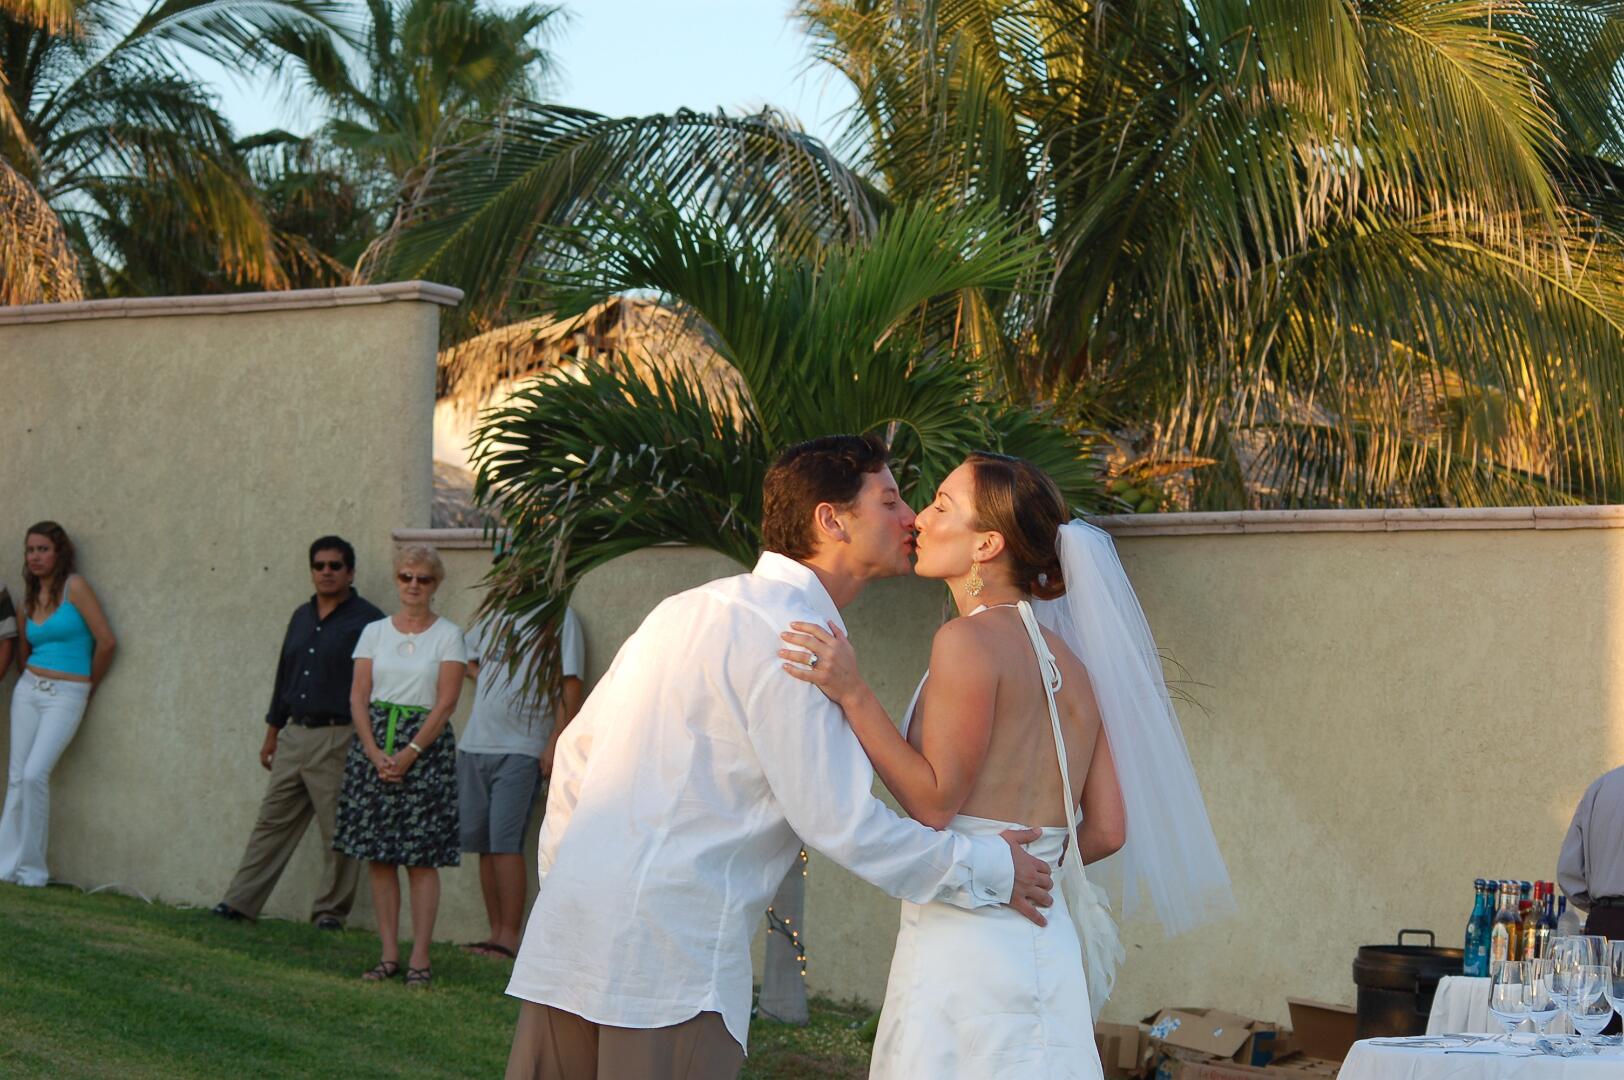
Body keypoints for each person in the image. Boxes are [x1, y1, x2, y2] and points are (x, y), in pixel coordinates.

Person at [504, 435, 1056, 1080]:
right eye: (890, 501)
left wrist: (567, 887)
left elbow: (576, 759)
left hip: (567, 940)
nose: (911, 518)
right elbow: (840, 822)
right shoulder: (796, 639)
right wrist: (987, 867)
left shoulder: (683, 608)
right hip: (667, 967)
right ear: (832, 520)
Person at [781, 452, 1234, 1078]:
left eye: (942, 505)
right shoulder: (1076, 666)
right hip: (1046, 939)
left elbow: (935, 802)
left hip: (967, 945)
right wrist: (1036, 863)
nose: (919, 518)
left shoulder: (966, 641)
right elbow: (1108, 830)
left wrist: (854, 693)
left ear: (986, 545)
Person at [212, 536, 383, 928]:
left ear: (350, 572)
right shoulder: (301, 617)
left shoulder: (369, 621)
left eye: (335, 566)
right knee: (271, 822)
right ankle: (239, 903)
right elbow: (284, 677)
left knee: (337, 830)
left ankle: (329, 914)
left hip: (338, 737)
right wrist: (272, 732)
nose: (326, 572)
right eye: (319, 566)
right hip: (294, 735)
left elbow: (376, 684)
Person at [333, 543, 466, 989]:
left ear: (436, 584)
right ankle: (388, 955)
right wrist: (374, 753)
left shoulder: (449, 635)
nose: (413, 585)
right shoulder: (373, 632)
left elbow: (446, 703)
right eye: (406, 576)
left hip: (425, 752)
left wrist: (410, 753)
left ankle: (420, 960)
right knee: (380, 857)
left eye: (423, 579)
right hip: (374, 746)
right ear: (396, 579)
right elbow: (358, 697)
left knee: (421, 860)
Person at [458, 602, 585, 961]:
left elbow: (570, 682)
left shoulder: (558, 617)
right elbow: (467, 657)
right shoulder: (491, 614)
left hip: (523, 748)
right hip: (475, 744)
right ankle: (493, 934)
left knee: (505, 842)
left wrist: (555, 740)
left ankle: (509, 939)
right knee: (484, 844)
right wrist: (490, 680)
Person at [0, 522, 117, 887]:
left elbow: (107, 642)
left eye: (43, 549)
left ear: (59, 552)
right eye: (30, 550)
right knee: (17, 779)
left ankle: (32, 872)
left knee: (34, 775)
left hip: (67, 695)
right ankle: (5, 866)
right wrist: (30, 681)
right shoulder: (28, 598)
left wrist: (88, 686)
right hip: (28, 691)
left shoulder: (75, 587)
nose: (35, 557)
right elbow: (23, 653)